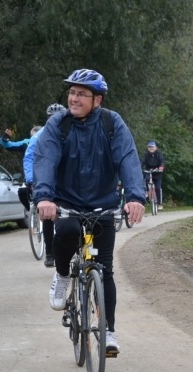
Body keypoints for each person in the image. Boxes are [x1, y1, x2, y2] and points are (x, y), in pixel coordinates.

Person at [33, 69, 145, 355]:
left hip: (103, 204)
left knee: (105, 269)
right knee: (67, 232)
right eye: (72, 92)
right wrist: (44, 196)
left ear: (97, 100)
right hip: (67, 202)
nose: (74, 98)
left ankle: (108, 332)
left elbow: (128, 159)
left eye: (81, 93)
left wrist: (134, 197)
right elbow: (45, 160)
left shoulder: (111, 123)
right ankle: (62, 275)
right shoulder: (58, 125)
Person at [21, 103, 66, 267]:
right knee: (48, 215)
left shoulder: (71, 131)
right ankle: (50, 253)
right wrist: (32, 179)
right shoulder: (39, 136)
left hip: (67, 181)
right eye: (51, 118)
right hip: (47, 180)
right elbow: (30, 158)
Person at [141, 140, 165, 208]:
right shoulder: (146, 154)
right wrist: (140, 168)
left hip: (157, 171)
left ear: (156, 147)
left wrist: (161, 167)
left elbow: (162, 161)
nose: (151, 148)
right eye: (149, 147)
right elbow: (142, 161)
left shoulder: (159, 154)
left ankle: (159, 203)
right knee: (146, 179)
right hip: (148, 170)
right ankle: (146, 191)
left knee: (158, 188)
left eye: (152, 147)